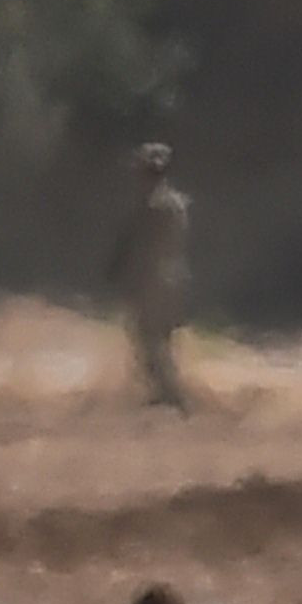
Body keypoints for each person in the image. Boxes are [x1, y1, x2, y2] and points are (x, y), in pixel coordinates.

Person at [108, 143, 193, 412]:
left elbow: (136, 244)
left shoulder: (152, 205)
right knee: (160, 340)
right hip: (172, 275)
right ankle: (167, 392)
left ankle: (172, 395)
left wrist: (119, 268)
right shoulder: (176, 203)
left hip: (153, 278)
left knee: (149, 339)